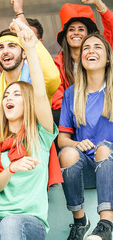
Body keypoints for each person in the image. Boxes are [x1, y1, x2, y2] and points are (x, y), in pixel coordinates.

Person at [0, 18, 58, 240]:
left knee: (10, 224)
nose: (9, 97)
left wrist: (30, 49)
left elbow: (40, 91)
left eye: (17, 94)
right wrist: (12, 168)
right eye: (7, 94)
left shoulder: (39, 134)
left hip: (27, 218)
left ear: (28, 102)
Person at [58, 33, 113, 240]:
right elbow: (62, 139)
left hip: (111, 163)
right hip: (89, 168)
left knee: (104, 149)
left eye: (97, 47)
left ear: (108, 58)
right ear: (80, 58)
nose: (90, 51)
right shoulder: (71, 93)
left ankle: (106, 224)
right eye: (86, 48)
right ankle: (80, 223)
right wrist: (77, 143)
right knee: (67, 153)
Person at [52, 1, 113, 127]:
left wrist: (99, 4)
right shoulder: (57, 64)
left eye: (81, 29)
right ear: (66, 35)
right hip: (73, 121)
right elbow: (58, 102)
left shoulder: (100, 55)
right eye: (71, 29)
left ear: (88, 34)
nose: (76, 33)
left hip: (105, 115)